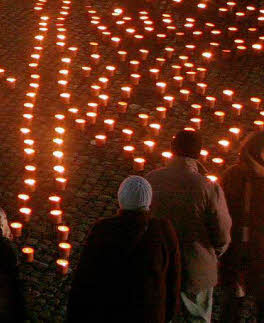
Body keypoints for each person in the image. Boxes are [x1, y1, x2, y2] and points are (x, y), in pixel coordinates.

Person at [145, 130, 231, 321]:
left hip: (159, 264)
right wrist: (210, 254)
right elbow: (222, 233)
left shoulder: (151, 180)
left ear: (172, 150)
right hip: (195, 269)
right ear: (198, 153)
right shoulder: (208, 188)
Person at [67, 176, 181, 322]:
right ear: (148, 200)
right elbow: (173, 278)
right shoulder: (163, 230)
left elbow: (85, 278)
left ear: (121, 199)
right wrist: (167, 314)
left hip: (110, 313)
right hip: (149, 315)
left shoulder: (104, 230)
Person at [220, 132, 264, 319]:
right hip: (237, 250)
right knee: (232, 304)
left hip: (259, 251)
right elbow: (221, 213)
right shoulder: (234, 175)